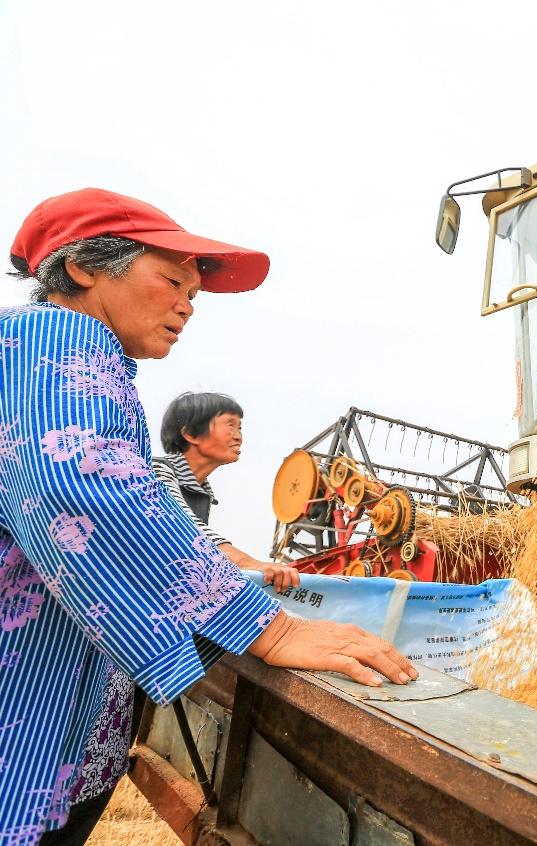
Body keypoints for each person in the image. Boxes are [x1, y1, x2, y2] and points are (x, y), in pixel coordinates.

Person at [0, 188, 417, 844]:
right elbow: (80, 488)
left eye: (193, 294)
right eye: (171, 280)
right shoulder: (50, 344)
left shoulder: (83, 364)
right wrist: (267, 628)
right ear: (82, 268)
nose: (186, 306)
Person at [154, 392, 300, 591]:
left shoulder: (201, 493)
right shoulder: (155, 472)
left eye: (240, 427)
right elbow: (184, 527)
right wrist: (253, 565)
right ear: (190, 434)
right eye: (230, 425)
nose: (238, 436)